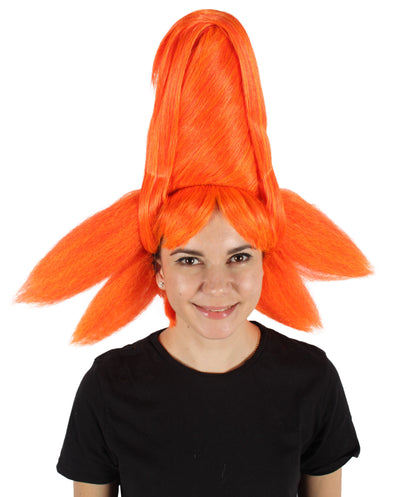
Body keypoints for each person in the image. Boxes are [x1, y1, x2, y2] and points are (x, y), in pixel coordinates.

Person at [17, 10, 372, 497]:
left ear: (266, 261)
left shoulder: (312, 380)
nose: (217, 284)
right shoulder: (110, 386)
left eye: (239, 257)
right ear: (158, 270)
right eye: (189, 259)